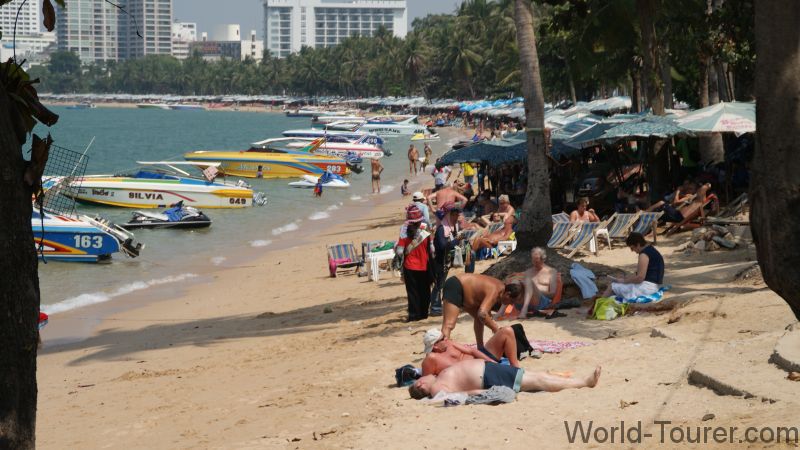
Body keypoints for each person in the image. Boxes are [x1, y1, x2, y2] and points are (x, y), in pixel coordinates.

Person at [409, 359, 601, 399]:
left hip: (489, 370)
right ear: (420, 383)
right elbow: (460, 395)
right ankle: (584, 383)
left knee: (536, 377)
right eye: (422, 377)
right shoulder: (435, 389)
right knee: (537, 381)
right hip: (488, 377)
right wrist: (484, 392)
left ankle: (578, 381)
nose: (424, 374)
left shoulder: (437, 380)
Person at [440, 273, 522, 347]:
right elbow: (482, 313)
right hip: (456, 285)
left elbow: (485, 315)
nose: (511, 304)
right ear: (508, 294)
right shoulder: (496, 290)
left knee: (479, 320)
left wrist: (493, 326)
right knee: (449, 324)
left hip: (468, 296)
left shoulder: (500, 289)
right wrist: (496, 329)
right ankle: (444, 351)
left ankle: (480, 347)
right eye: (512, 301)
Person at [420, 327, 520, 376]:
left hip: (484, 359)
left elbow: (472, 351)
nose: (446, 338)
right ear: (435, 346)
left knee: (507, 331)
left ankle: (516, 368)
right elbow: (427, 379)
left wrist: (490, 361)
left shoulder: (449, 343)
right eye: (443, 338)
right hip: (477, 373)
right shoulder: (432, 359)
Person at [599, 232, 664, 300]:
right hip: (653, 286)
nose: (632, 251)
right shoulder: (651, 250)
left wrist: (624, 281)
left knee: (613, 286)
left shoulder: (644, 255)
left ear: (638, 244)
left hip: (647, 288)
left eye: (632, 248)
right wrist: (625, 279)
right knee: (619, 286)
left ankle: (598, 304)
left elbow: (640, 278)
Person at [395, 205, 433, 322]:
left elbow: (400, 251)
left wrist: (395, 248)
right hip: (424, 265)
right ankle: (424, 314)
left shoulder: (404, 231)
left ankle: (414, 315)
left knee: (412, 292)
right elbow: (432, 249)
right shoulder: (425, 228)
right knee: (425, 290)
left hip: (409, 266)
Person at [430, 202, 462, 316]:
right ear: (450, 215)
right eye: (456, 215)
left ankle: (436, 306)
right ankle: (434, 307)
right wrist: (456, 240)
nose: (457, 218)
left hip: (444, 261)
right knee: (438, 284)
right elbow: (444, 246)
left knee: (440, 284)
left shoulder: (450, 228)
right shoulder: (441, 229)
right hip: (439, 261)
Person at [515, 247, 564, 319]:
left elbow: (553, 293)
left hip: (541, 303)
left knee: (529, 281)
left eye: (537, 260)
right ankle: (501, 311)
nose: (534, 262)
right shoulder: (528, 272)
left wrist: (536, 291)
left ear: (543, 259)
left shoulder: (551, 272)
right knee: (514, 281)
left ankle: (524, 310)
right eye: (533, 259)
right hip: (522, 303)